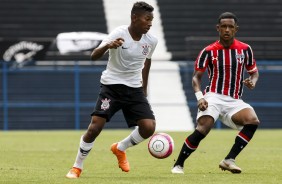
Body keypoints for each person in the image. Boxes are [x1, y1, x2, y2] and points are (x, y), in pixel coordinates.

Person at [66, 1, 158, 178]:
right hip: (112, 87)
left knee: (148, 127)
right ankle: (77, 166)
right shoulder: (119, 33)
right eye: (147, 19)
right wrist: (108, 46)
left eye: (152, 20)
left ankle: (120, 148)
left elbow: (147, 61)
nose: (150, 23)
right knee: (95, 128)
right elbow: (93, 56)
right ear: (134, 18)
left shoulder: (151, 41)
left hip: (134, 89)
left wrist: (144, 89)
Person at [171, 12, 260, 174]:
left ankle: (229, 160)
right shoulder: (209, 51)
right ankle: (178, 164)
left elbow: (254, 72)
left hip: (235, 100)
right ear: (218, 28)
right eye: (224, 26)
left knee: (252, 121)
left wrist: (252, 82)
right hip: (213, 96)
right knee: (203, 128)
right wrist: (200, 97)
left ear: (236, 29)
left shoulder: (245, 50)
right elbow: (196, 78)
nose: (227, 30)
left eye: (230, 27)